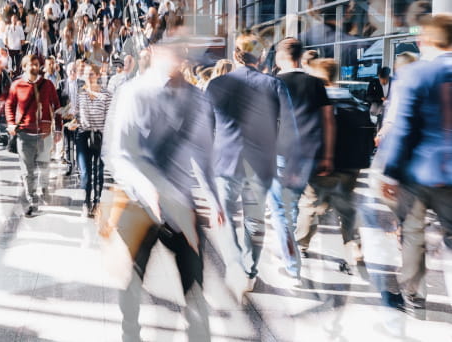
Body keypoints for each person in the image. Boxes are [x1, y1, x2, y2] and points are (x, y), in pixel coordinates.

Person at [102, 36, 224, 342]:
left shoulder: (197, 100)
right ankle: (130, 333)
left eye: (179, 54)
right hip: (138, 203)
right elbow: (117, 153)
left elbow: (205, 155)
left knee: (194, 283)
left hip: (182, 205)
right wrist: (148, 188)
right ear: (154, 55)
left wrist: (214, 197)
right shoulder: (133, 93)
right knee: (131, 279)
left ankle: (199, 336)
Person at [206, 32, 301, 299]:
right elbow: (290, 131)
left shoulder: (216, 85)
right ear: (260, 56)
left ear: (235, 55)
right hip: (261, 165)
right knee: (254, 221)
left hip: (225, 162)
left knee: (224, 217)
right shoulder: (274, 85)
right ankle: (249, 271)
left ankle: (235, 263)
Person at [378, 14, 452, 319]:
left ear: (425, 40)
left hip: (418, 173)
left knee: (413, 234)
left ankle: (413, 294)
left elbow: (404, 129)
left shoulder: (414, 73)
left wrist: (390, 172)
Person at [265, 37, 334, 283]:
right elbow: (328, 120)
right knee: (291, 207)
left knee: (280, 212)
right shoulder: (315, 84)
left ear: (281, 56)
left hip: (280, 153)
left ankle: (292, 264)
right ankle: (287, 249)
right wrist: (327, 155)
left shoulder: (272, 83)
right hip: (307, 154)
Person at [296, 58, 370, 274]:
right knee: (346, 208)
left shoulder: (319, 101)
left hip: (324, 163)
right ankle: (353, 245)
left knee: (310, 205)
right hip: (351, 165)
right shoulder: (352, 99)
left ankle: (301, 244)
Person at [5, 54, 61, 217]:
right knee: (28, 171)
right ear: (24, 67)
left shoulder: (48, 85)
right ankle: (31, 200)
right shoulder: (17, 85)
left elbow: (56, 107)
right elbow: (9, 105)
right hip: (24, 135)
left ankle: (43, 188)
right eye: (32, 65)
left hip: (44, 135)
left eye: (37, 64)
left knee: (44, 167)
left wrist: (58, 129)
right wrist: (10, 123)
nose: (35, 67)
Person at [68, 64, 112, 217]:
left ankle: (97, 202)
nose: (88, 77)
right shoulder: (81, 93)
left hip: (100, 136)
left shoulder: (106, 95)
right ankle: (86, 202)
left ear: (98, 75)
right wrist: (73, 122)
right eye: (86, 74)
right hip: (83, 135)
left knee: (98, 171)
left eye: (91, 74)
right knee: (86, 172)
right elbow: (77, 115)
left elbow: (109, 119)